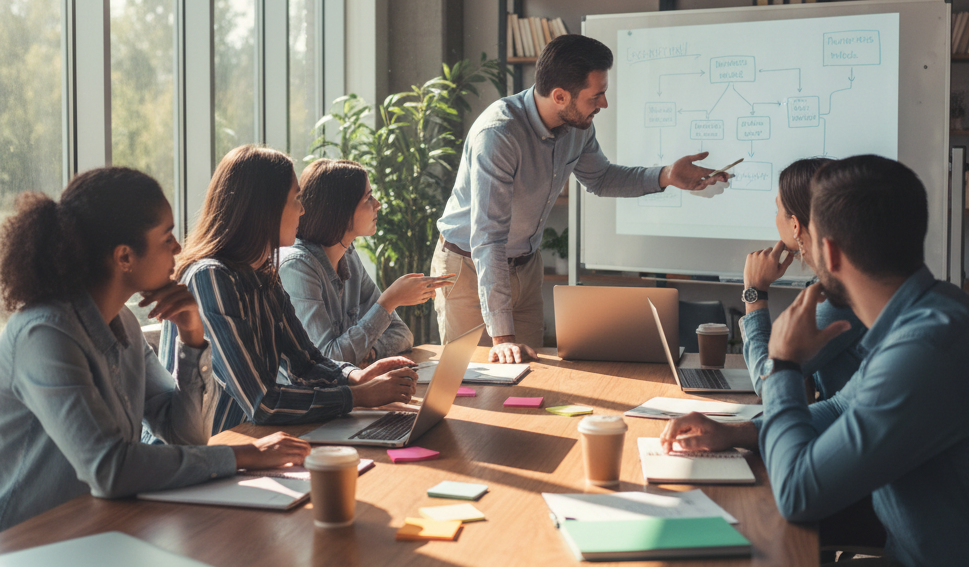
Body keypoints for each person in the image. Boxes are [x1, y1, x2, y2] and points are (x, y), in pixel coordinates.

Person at [660, 155, 969, 567]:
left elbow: (800, 494)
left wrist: (782, 366)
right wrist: (742, 434)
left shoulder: (927, 349)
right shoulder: (924, 314)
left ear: (826, 250)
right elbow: (837, 414)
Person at [0, 167, 311, 532]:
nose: (178, 248)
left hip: (102, 530)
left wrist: (193, 336)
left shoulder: (124, 325)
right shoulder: (45, 335)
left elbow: (186, 434)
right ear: (124, 257)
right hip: (27, 548)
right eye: (167, 237)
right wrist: (242, 455)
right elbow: (110, 468)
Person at [432, 33, 727, 363]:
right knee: (474, 383)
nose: (604, 104)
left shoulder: (579, 127)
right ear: (560, 96)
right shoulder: (499, 136)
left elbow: (601, 178)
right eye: (597, 95)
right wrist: (502, 336)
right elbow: (488, 238)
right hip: (469, 268)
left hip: (525, 267)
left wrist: (666, 175)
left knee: (529, 376)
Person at [163, 145, 420, 433]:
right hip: (208, 452)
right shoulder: (210, 278)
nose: (303, 209)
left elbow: (307, 361)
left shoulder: (263, 273)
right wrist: (359, 395)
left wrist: (357, 377)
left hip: (251, 440)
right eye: (296, 198)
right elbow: (263, 402)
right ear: (265, 209)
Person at [280, 159, 449, 365]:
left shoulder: (348, 256)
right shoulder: (297, 268)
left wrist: (371, 350)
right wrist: (388, 301)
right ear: (340, 209)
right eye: (369, 198)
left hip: (349, 387)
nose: (377, 204)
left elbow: (402, 334)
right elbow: (327, 357)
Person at [740, 158, 865, 400]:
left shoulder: (838, 296)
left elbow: (766, 384)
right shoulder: (832, 283)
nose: (775, 218)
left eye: (778, 210)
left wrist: (754, 293)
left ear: (795, 225)